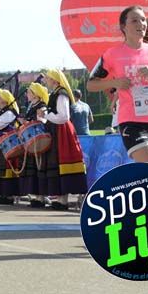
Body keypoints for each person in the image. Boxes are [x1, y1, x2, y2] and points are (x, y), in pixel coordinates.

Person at [86, 5, 148, 168]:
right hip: (131, 121)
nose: (140, 23)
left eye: (143, 20)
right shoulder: (112, 54)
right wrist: (115, 82)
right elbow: (90, 85)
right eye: (134, 20)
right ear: (123, 27)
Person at [41, 69, 89, 204]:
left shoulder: (61, 94)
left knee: (62, 162)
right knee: (57, 163)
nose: (47, 81)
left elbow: (63, 116)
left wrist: (46, 114)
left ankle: (63, 200)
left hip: (62, 132)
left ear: (55, 80)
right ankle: (60, 198)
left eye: (49, 78)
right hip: (57, 130)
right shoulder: (56, 93)